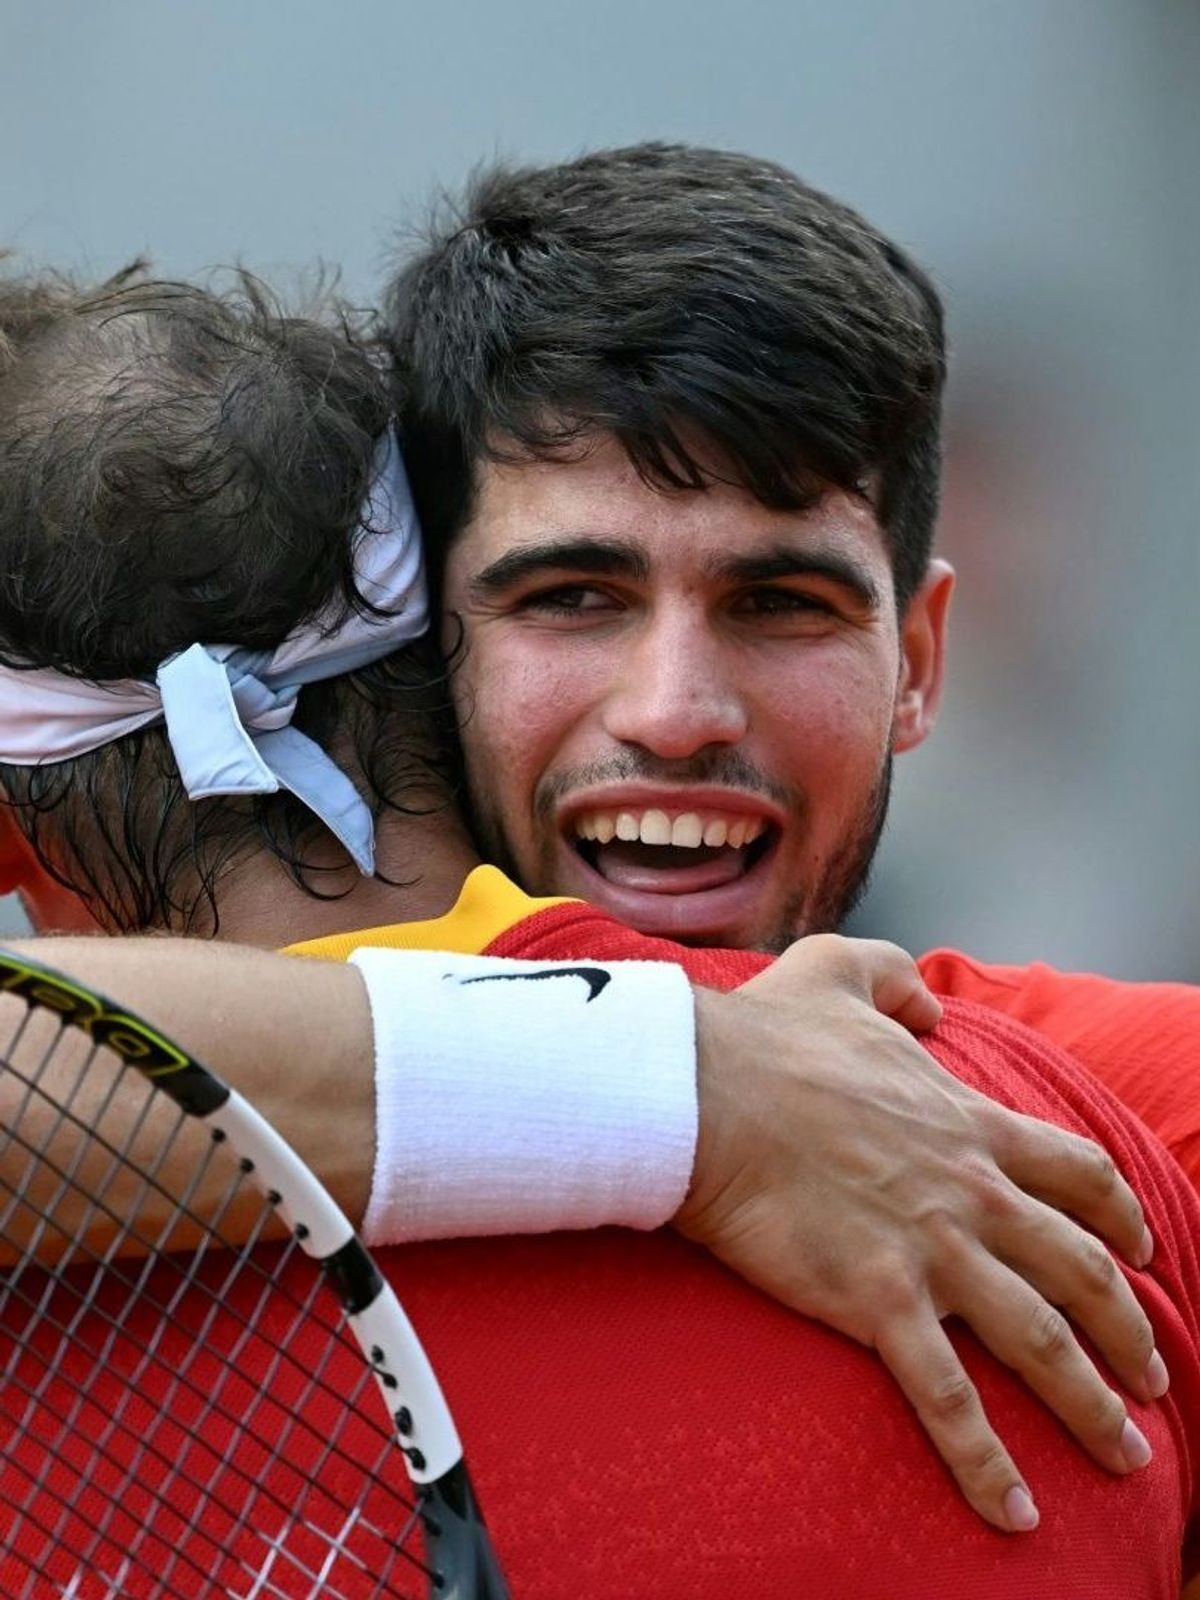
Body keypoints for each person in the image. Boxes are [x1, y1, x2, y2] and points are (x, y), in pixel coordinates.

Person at [0, 257, 1194, 1585]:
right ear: (443, 675)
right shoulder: (1051, 1131)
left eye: (778, 605)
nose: (673, 709)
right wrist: (691, 1093)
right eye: (584, 597)